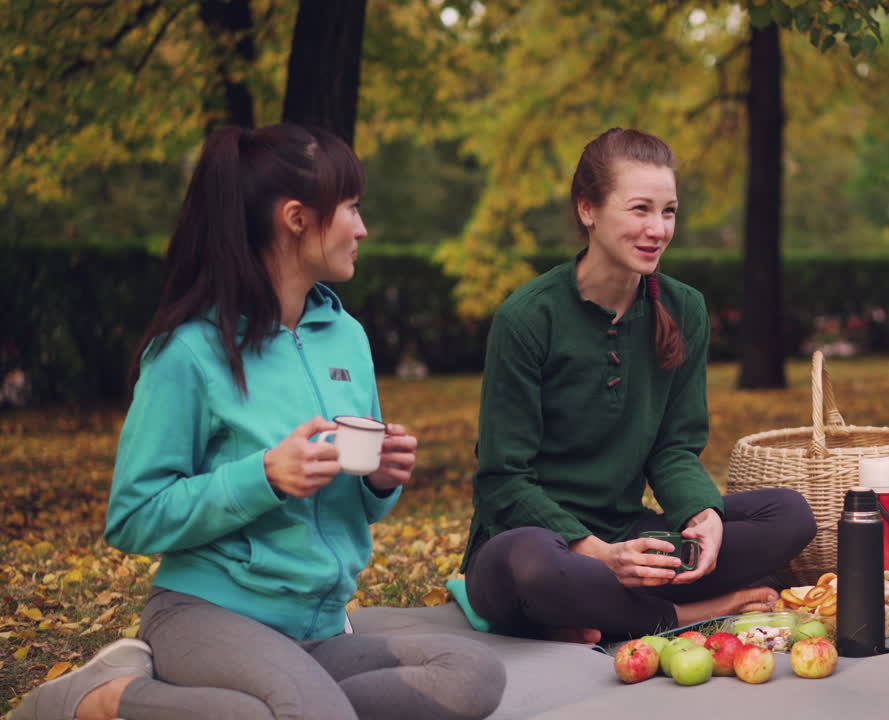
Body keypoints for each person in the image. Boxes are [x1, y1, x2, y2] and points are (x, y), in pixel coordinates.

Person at [14, 124, 505, 720]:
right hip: (207, 613)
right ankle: (105, 700)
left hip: (319, 628)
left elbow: (361, 507)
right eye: (351, 208)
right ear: (296, 218)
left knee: (473, 675)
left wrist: (380, 481)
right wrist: (265, 477)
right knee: (308, 710)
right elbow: (133, 517)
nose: (362, 228)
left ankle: (266, 705)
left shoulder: (345, 337)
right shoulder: (190, 351)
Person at [462, 128, 817, 643]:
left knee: (788, 514)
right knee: (534, 568)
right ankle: (690, 613)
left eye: (668, 211)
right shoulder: (528, 317)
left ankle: (600, 614)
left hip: (630, 531)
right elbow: (502, 478)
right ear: (588, 209)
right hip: (532, 541)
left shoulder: (684, 308)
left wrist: (703, 517)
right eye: (640, 209)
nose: (658, 229)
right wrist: (600, 556)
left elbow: (674, 448)